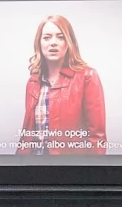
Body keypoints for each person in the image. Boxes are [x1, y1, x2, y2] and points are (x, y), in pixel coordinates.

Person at [17, 15, 106, 155]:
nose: (53, 43)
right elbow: (27, 135)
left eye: (60, 37)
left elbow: (97, 138)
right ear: (39, 43)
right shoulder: (33, 82)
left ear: (69, 42)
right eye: (46, 37)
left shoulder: (87, 77)